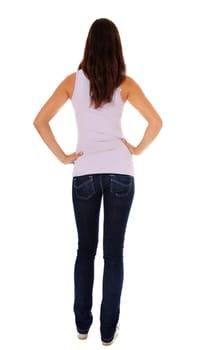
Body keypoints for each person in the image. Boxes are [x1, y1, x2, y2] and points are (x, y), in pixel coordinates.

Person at [33, 18, 162, 346]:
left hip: (85, 172)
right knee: (114, 254)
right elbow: (156, 122)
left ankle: (81, 325)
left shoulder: (71, 82)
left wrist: (64, 157)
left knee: (85, 250)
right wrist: (136, 149)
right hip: (121, 171)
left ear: (88, 46)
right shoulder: (126, 83)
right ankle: (107, 331)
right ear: (117, 47)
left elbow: (40, 120)